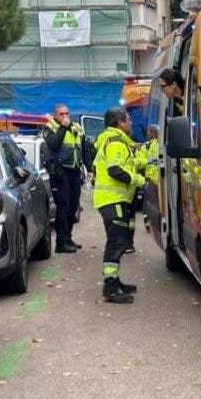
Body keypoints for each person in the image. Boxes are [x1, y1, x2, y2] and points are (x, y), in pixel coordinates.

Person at [93, 108, 146, 303]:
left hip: (113, 199)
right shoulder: (115, 142)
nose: (131, 122)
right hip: (111, 199)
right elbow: (115, 170)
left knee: (120, 241)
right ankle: (110, 288)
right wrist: (140, 181)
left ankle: (115, 281)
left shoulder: (115, 141)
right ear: (120, 123)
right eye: (129, 119)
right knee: (116, 243)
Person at [41, 104, 87, 253]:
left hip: (74, 170)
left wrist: (90, 168)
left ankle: (68, 238)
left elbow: (84, 148)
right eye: (61, 114)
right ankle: (61, 242)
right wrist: (62, 127)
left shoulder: (77, 127)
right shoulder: (49, 127)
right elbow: (53, 145)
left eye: (67, 113)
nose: (65, 116)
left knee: (73, 206)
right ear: (56, 115)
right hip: (60, 172)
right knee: (63, 206)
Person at [143, 124, 160, 232]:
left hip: (155, 178)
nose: (148, 133)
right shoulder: (146, 146)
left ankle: (151, 223)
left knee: (152, 202)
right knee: (151, 202)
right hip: (152, 178)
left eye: (151, 131)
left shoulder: (149, 145)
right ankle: (149, 223)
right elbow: (141, 161)